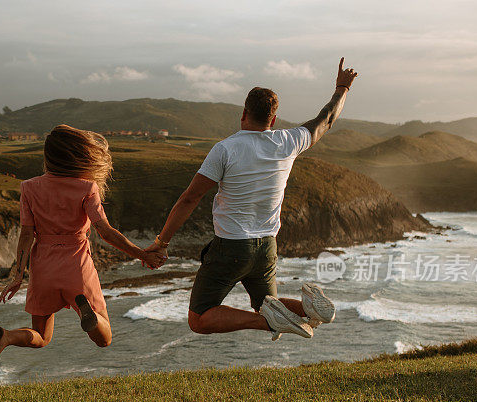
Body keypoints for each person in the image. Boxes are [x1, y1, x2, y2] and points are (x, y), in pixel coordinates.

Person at [145, 57, 359, 339]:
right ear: (273, 119)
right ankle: (309, 309)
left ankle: (270, 323)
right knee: (267, 305)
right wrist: (342, 89)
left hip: (232, 246)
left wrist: (161, 243)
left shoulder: (225, 149)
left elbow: (189, 198)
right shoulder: (289, 140)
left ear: (244, 113)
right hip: (266, 247)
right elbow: (326, 119)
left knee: (199, 318)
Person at [0, 124, 165, 369]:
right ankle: (91, 318)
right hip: (76, 264)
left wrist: (18, 275)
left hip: (43, 267)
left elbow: (26, 235)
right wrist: (143, 254)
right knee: (104, 338)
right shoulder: (87, 188)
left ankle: (8, 337)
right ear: (79, 155)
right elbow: (105, 232)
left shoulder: (29, 187)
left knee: (42, 337)